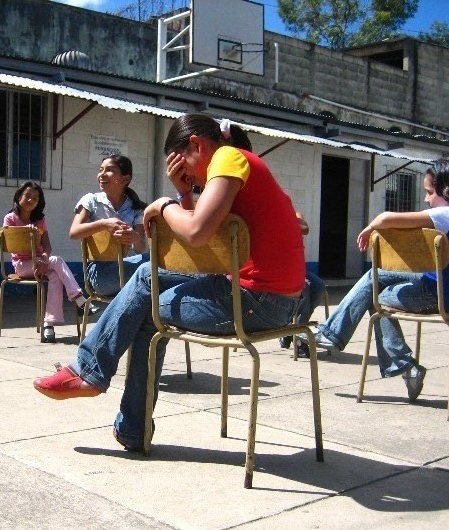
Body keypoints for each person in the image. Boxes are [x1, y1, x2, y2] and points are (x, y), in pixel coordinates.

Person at [33, 114, 306, 451]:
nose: (188, 176)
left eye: (185, 168)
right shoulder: (234, 168)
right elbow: (205, 248)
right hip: (254, 293)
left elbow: (194, 232)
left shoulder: (228, 157)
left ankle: (98, 383)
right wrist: (183, 194)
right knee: (147, 275)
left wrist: (165, 205)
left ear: (196, 145)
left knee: (147, 311)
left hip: (263, 302)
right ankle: (110, 399)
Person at [314, 157, 449, 402]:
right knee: (374, 277)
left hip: (441, 295)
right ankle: (335, 334)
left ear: (448, 191)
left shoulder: (446, 214)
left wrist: (370, 227)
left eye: (430, 192)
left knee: (374, 295)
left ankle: (394, 361)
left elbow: (387, 218)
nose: (426, 199)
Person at [3, 181, 97, 344]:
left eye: (35, 198)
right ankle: (79, 299)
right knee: (57, 261)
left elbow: (47, 246)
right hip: (22, 265)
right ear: (19, 196)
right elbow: (10, 245)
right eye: (27, 196)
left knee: (54, 276)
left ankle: (49, 325)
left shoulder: (40, 220)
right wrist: (29, 237)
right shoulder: (10, 218)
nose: (30, 200)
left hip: (42, 263)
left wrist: (44, 258)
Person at [69, 155, 149, 297]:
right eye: (101, 170)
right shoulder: (91, 201)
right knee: (151, 268)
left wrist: (133, 237)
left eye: (109, 170)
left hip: (128, 268)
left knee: (152, 260)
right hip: (100, 275)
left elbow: (141, 248)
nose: (102, 174)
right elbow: (74, 232)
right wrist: (105, 224)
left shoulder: (136, 208)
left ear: (125, 179)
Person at [279, 212, 327, 358]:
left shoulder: (293, 214)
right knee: (303, 288)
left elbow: (304, 228)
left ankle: (291, 330)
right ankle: (299, 338)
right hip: (278, 268)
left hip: (297, 267)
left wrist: (287, 219)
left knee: (318, 286)